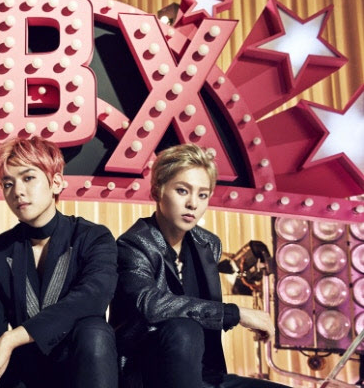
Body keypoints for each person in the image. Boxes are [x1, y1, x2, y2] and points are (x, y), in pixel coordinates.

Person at [110, 143, 288, 388]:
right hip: (148, 376)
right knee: (184, 329)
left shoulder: (208, 244)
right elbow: (151, 305)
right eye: (182, 191)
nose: (193, 203)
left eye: (202, 195)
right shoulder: (133, 244)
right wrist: (235, 313)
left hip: (203, 374)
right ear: (157, 191)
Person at [0, 136, 118, 388]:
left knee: (94, 331)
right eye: (8, 184)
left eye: (28, 178)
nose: (17, 191)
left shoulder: (93, 237)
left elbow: (92, 298)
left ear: (56, 183)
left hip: (82, 368)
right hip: (25, 376)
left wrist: (13, 337)